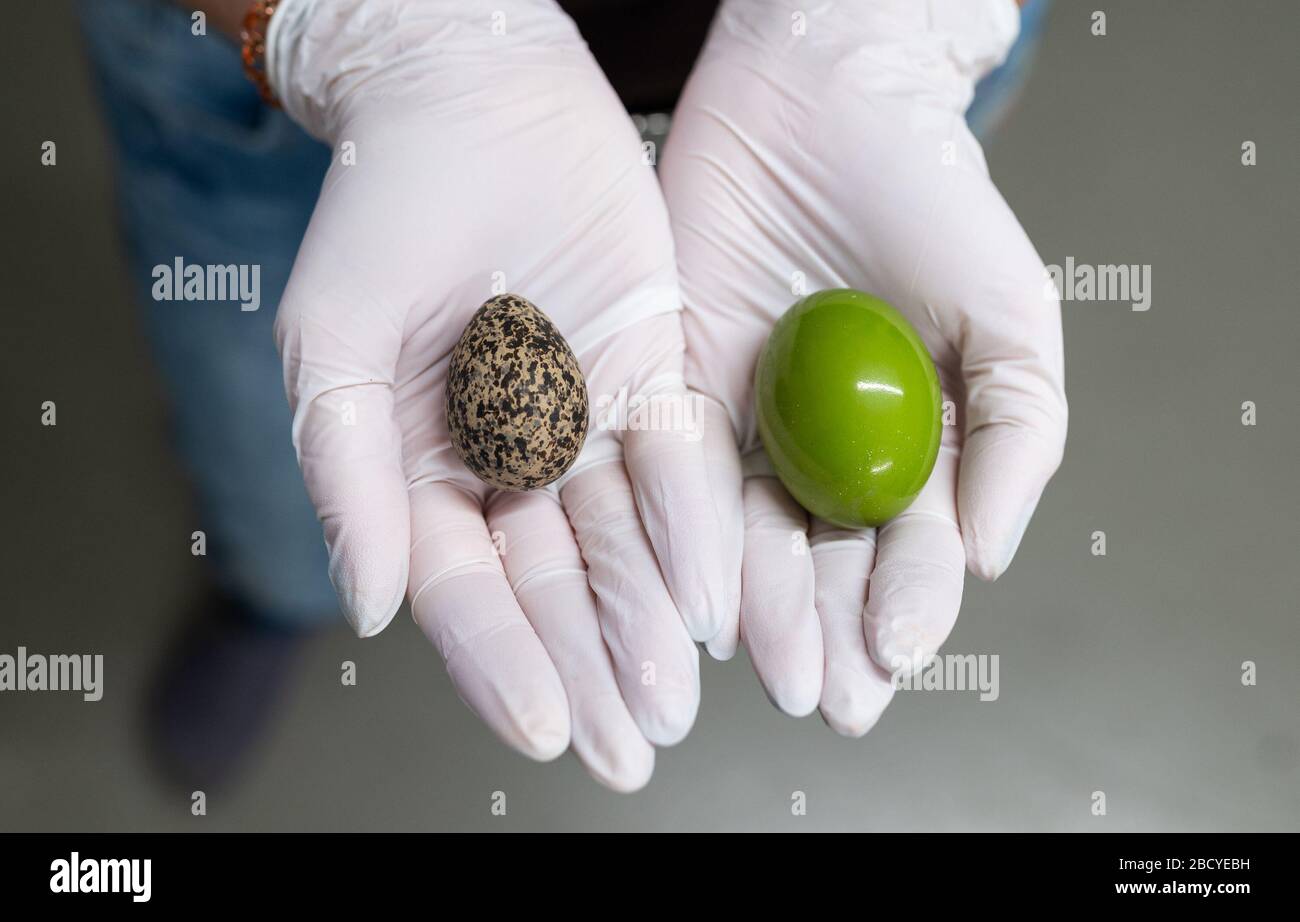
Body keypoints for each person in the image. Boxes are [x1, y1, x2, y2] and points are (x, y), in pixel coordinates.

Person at [79, 0, 1064, 792]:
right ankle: (272, 589)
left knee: (346, 442)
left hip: (844, 77)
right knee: (273, 427)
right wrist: (355, 19)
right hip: (290, 72)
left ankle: (274, 579)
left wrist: (880, 25)